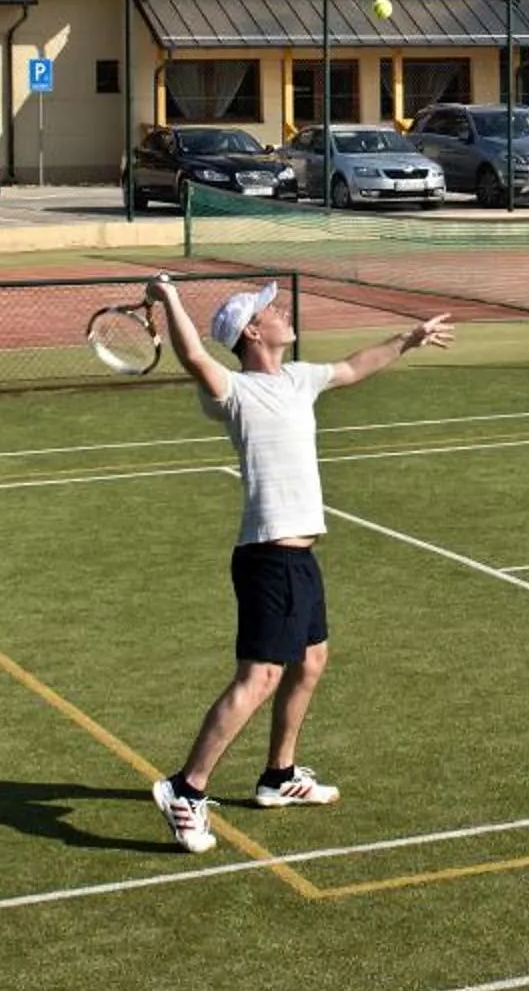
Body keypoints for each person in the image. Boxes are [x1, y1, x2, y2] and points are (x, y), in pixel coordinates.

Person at [141, 273, 453, 854]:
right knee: (258, 677)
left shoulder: (299, 379)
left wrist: (406, 340)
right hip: (267, 557)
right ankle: (187, 788)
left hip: (302, 556)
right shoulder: (231, 390)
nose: (282, 311)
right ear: (252, 331)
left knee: (309, 662)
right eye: (270, 309)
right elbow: (190, 354)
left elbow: (355, 367)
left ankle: (278, 777)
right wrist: (170, 296)